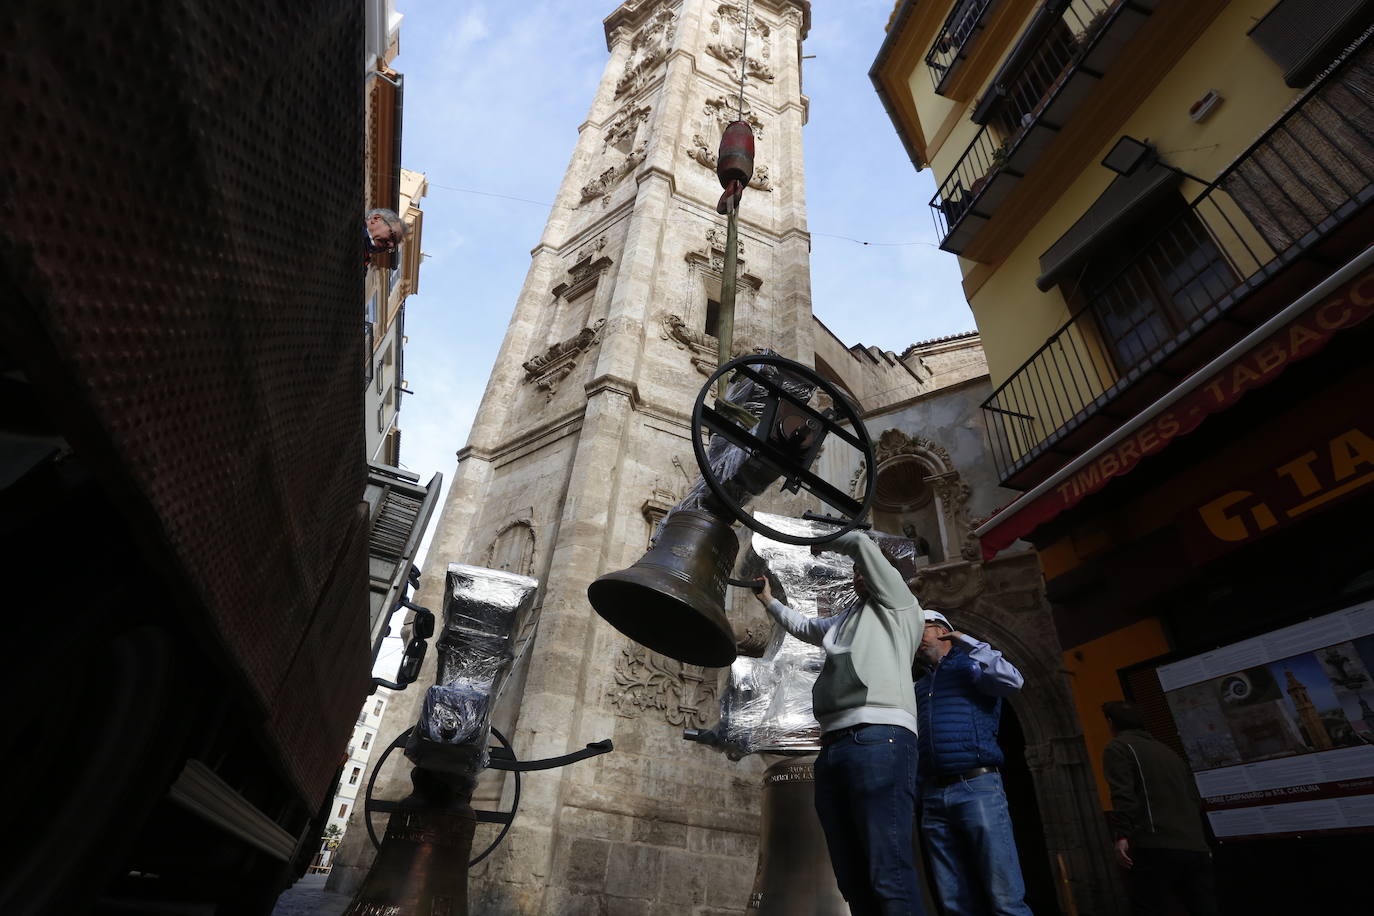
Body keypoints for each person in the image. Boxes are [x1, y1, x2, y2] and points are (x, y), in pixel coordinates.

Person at [751, 530, 927, 916]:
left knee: (888, 870)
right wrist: (769, 602)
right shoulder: (846, 621)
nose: (859, 576)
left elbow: (862, 546)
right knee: (851, 874)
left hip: (880, 738)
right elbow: (804, 627)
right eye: (856, 573)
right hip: (834, 747)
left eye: (867, 571)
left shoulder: (899, 607)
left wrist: (829, 539)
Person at [913, 611, 1033, 916]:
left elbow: (1013, 679)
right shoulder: (919, 686)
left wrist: (967, 641)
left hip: (977, 788)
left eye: (919, 629)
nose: (912, 637)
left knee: (1005, 898)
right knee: (955, 904)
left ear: (942, 631)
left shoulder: (973, 668)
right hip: (933, 796)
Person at [1101, 701, 1216, 916]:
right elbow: (1193, 797)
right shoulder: (1169, 751)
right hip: (1195, 847)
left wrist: (1122, 835)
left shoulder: (1119, 747)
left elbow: (1123, 793)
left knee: (1152, 906)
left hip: (1155, 844)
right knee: (1202, 907)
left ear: (1110, 722)